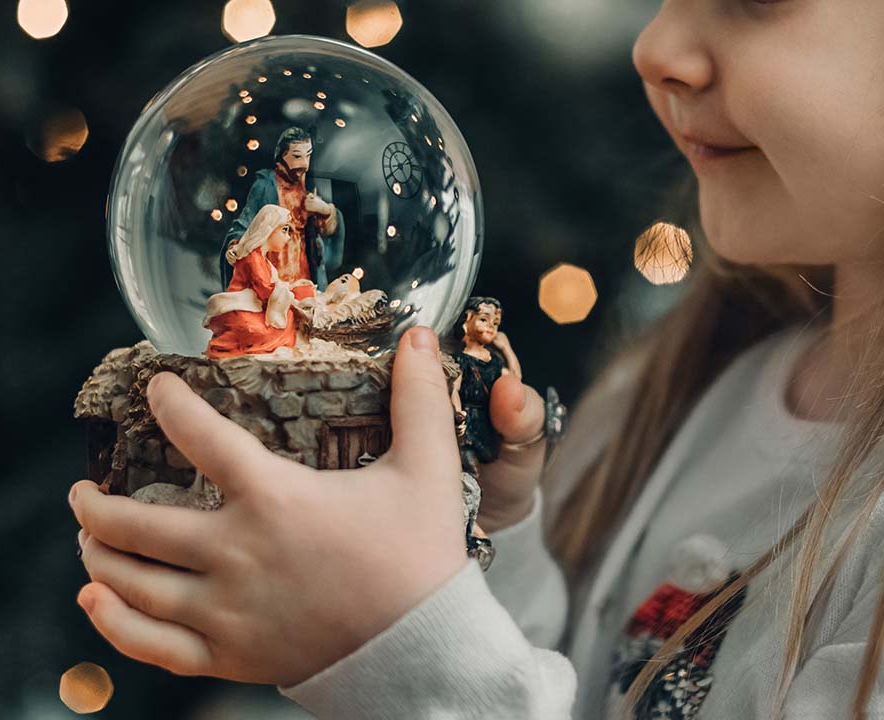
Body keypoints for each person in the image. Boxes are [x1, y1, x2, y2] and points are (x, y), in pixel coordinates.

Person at [69, 2, 884, 717]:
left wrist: (400, 643)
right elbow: (566, 683)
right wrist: (480, 551)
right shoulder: (675, 391)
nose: (656, 45)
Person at [219, 127, 345, 292]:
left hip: (303, 269)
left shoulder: (307, 188)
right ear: (282, 156)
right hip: (275, 265)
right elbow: (246, 223)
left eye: (308, 155)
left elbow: (326, 231)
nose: (305, 164)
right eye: (297, 156)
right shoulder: (266, 186)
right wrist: (235, 245)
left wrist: (325, 210)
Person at [204, 204, 314, 359]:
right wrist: (289, 295)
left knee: (287, 319)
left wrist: (289, 289)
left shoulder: (263, 259)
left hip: (255, 307)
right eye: (284, 230)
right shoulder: (252, 259)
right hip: (239, 307)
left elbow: (272, 286)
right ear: (268, 228)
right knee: (266, 328)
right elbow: (264, 290)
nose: (288, 237)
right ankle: (227, 345)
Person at [450, 296, 523, 478]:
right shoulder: (462, 360)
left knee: (484, 468)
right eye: (484, 319)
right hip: (468, 420)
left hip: (486, 422)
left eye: (495, 323)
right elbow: (453, 390)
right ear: (467, 320)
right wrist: (458, 414)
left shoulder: (495, 361)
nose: (491, 326)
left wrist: (507, 349)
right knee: (469, 466)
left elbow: (515, 380)